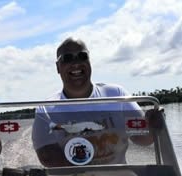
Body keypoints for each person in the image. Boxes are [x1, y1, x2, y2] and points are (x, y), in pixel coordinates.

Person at [31, 37, 153, 167]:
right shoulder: (46, 109)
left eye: (82, 56)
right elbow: (47, 157)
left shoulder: (117, 95)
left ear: (89, 61)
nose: (76, 63)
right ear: (58, 67)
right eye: (67, 58)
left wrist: (153, 124)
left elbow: (144, 139)